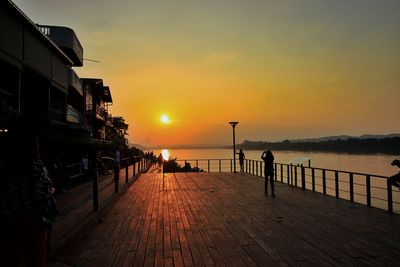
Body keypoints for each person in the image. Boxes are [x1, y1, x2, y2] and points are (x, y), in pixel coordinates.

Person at [0, 108, 59, 266]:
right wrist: (51, 190)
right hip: (32, 224)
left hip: (8, 224)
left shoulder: (4, 168)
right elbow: (44, 195)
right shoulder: (33, 167)